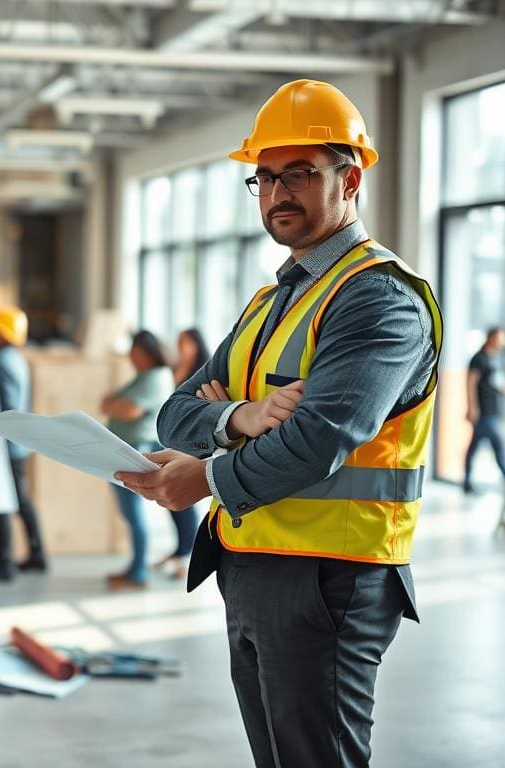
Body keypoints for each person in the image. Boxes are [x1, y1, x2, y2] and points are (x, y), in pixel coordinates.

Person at [115, 79, 442, 768]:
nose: (276, 194)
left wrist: (202, 475)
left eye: (299, 174)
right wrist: (242, 415)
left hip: (330, 576)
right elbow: (176, 412)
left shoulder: (379, 299)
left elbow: (318, 439)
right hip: (254, 562)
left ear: (349, 177)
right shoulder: (273, 299)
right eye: (264, 177)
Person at [101, 331, 182, 590]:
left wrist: (114, 404)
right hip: (126, 448)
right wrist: (114, 403)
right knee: (130, 513)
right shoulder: (145, 377)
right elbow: (110, 403)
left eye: (133, 349)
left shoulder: (156, 377)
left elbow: (128, 409)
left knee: (134, 514)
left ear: (144, 352)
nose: (129, 355)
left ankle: (137, 573)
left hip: (136, 449)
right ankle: (134, 569)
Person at [0, 306, 48, 581]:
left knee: (4, 502)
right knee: (19, 500)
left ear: (0, 333)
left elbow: (6, 408)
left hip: (5, 446)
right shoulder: (15, 359)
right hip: (17, 445)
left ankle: (4, 562)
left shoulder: (2, 363)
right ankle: (36, 554)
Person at [151, 328, 211, 579]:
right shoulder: (177, 372)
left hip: (193, 445)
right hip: (175, 441)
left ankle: (187, 554)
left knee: (185, 499)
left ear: (196, 345)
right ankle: (179, 549)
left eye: (183, 343)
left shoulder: (204, 372)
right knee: (171, 499)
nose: (179, 348)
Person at [464, 326, 505, 494]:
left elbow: (495, 383)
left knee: (474, 448)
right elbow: (471, 384)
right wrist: (472, 407)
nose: (504, 342)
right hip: (484, 411)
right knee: (499, 445)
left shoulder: (495, 359)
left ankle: (467, 482)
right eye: (501, 338)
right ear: (491, 338)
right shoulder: (478, 359)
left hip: (493, 410)